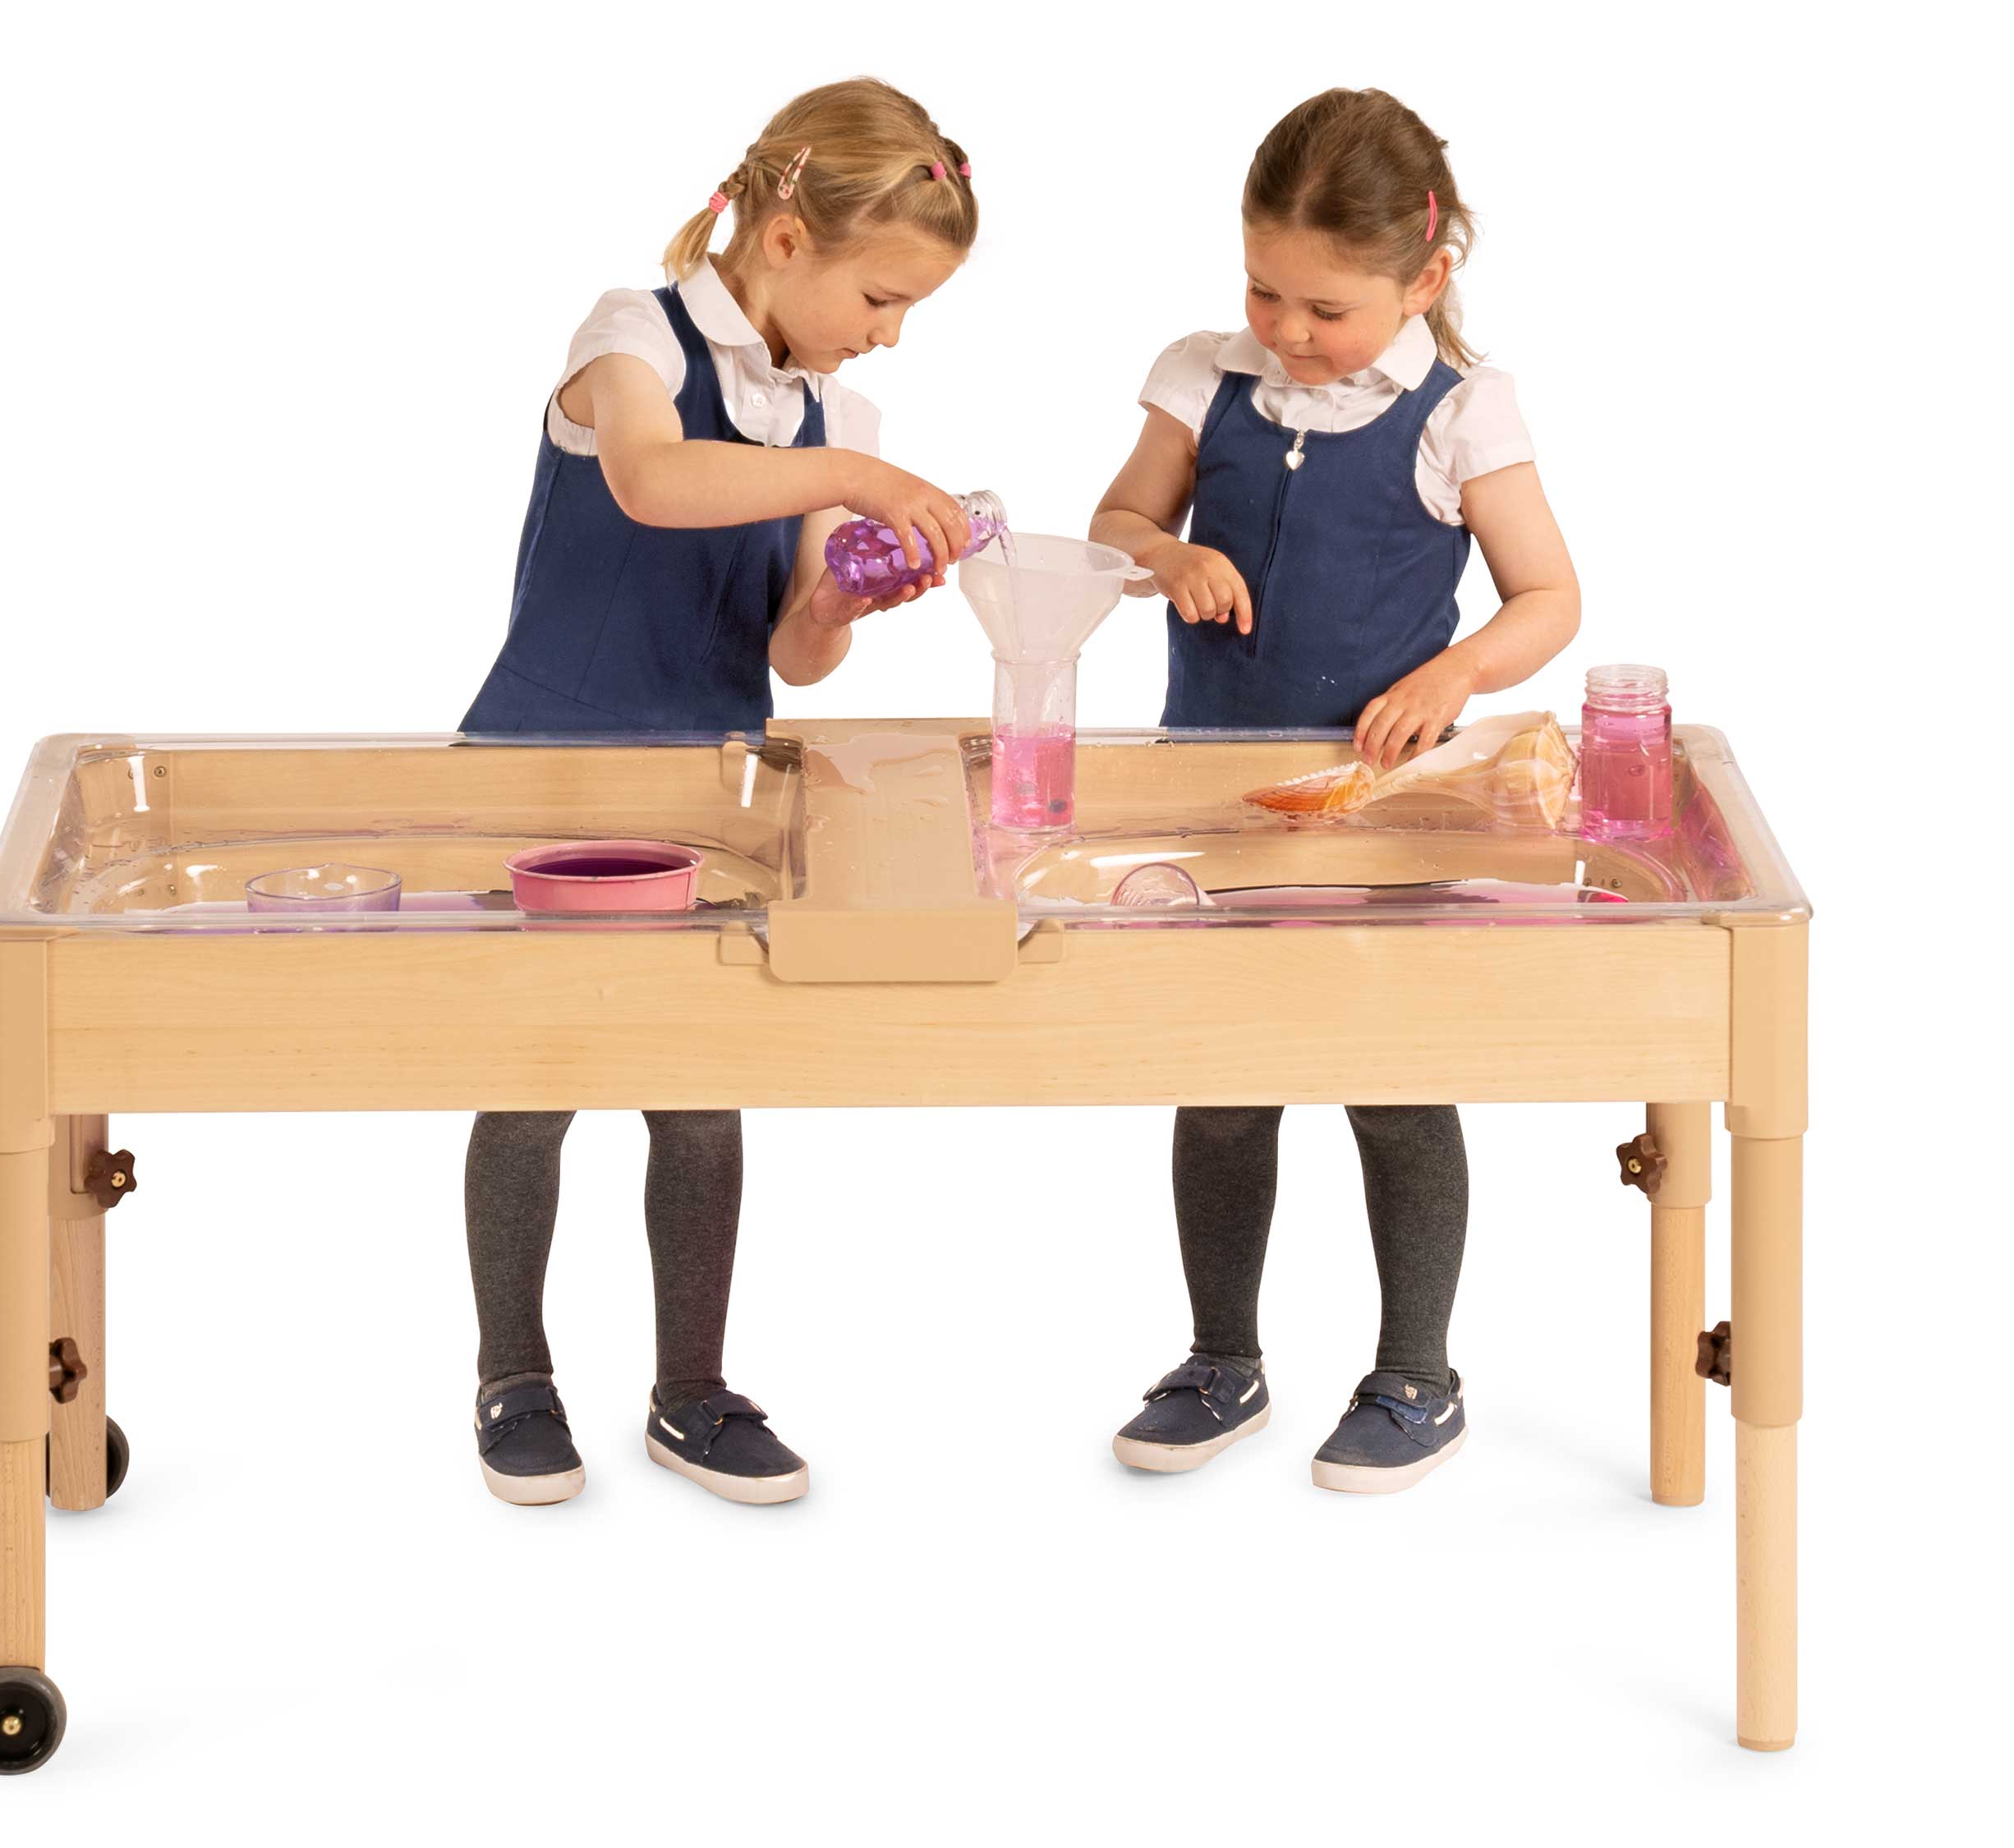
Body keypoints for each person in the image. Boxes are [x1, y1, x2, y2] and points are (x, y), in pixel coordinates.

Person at [462, 78, 978, 1506]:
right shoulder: (635, 336)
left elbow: (793, 653)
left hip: (711, 780)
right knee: (533, 1082)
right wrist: (859, 472)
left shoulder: (830, 406)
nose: (887, 333)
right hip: (550, 769)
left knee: (700, 1088)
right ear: (788, 238)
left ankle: (691, 1386)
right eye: (882, 296)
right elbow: (647, 480)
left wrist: (846, 593)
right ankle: (515, 1375)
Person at [1090, 88, 1581, 1492]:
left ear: (1424, 279)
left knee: (1394, 1081)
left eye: (1327, 309)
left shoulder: (1464, 409)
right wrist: (1163, 557)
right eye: (1265, 292)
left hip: (1380, 812)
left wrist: (1460, 673)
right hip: (1219, 806)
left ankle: (1418, 1372)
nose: (1289, 332)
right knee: (1224, 1084)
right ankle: (1221, 1356)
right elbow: (1120, 519)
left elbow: (1549, 594)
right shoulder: (1202, 374)